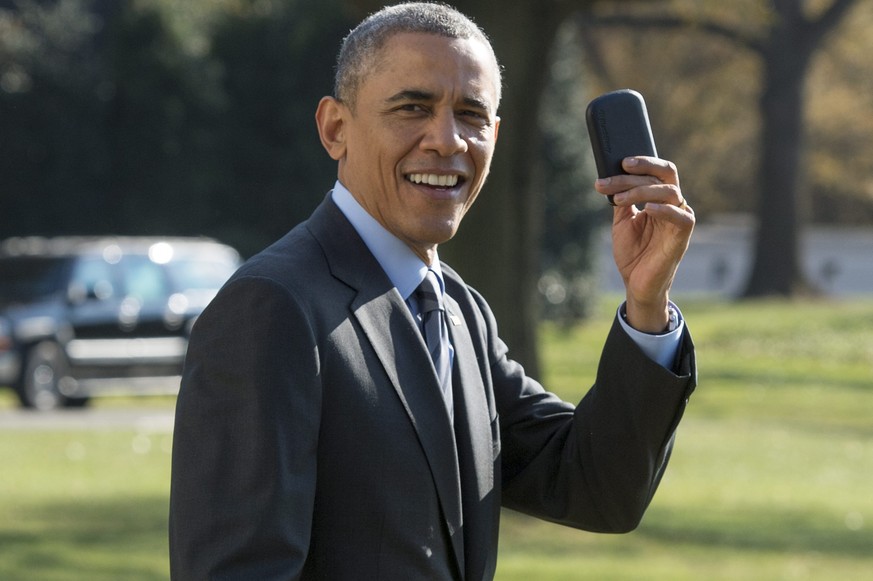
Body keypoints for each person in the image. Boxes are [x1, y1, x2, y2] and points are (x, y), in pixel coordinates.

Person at [168, 3, 697, 580]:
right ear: (335, 128)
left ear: (494, 137)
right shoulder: (271, 308)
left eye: (471, 115)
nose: (447, 140)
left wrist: (647, 306)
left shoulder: (459, 310)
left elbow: (597, 488)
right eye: (413, 107)